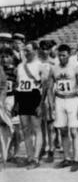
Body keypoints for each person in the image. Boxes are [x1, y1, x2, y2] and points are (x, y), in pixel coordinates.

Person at [48, 44, 78, 172]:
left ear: (69, 55)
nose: (61, 58)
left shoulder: (75, 66)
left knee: (74, 131)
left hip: (73, 99)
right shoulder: (54, 68)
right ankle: (66, 158)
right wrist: (51, 103)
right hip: (59, 100)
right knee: (62, 130)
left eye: (64, 55)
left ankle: (76, 159)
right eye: (60, 55)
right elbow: (50, 87)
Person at [16, 41, 49, 169]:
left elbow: (45, 88)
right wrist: (17, 103)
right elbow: (18, 85)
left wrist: (41, 104)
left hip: (35, 97)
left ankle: (35, 158)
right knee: (25, 129)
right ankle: (29, 157)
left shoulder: (41, 66)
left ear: (35, 50)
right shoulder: (20, 66)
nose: (26, 53)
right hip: (23, 97)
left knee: (36, 128)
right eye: (25, 50)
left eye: (28, 50)